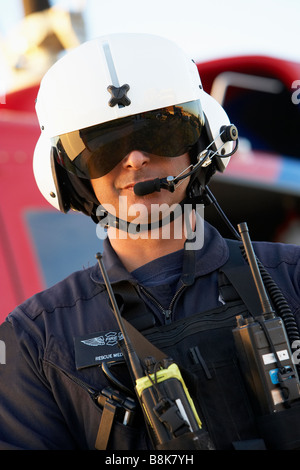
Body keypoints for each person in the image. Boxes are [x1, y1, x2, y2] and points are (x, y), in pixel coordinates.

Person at [0, 33, 300, 451]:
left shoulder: (292, 279)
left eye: (160, 133)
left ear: (201, 142)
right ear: (68, 175)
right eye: (102, 147)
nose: (136, 159)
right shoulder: (34, 341)